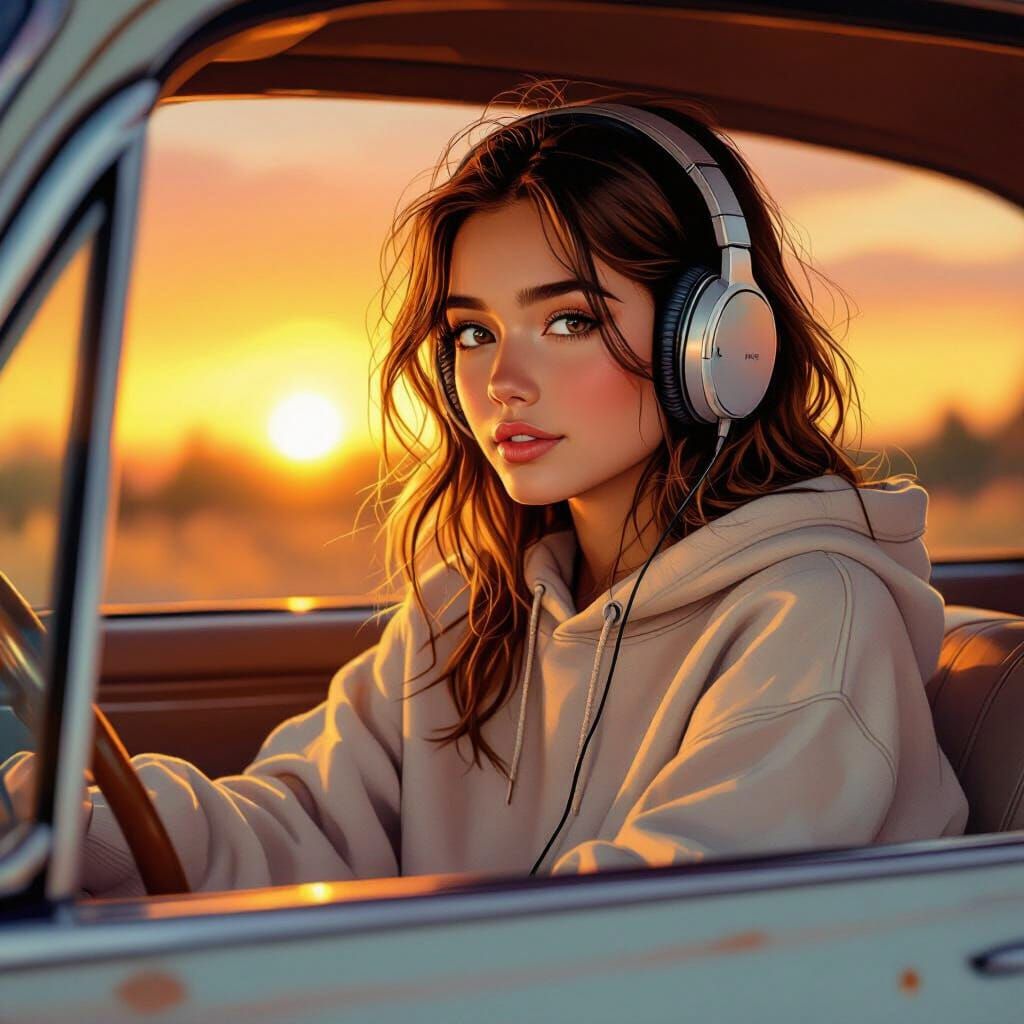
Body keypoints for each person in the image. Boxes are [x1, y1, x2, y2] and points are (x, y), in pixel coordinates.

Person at [1, 84, 968, 897]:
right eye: (471, 332)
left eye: (570, 321)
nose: (501, 379)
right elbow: (304, 823)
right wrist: (70, 818)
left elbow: (649, 948)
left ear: (717, 345)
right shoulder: (466, 612)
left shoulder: (813, 619)